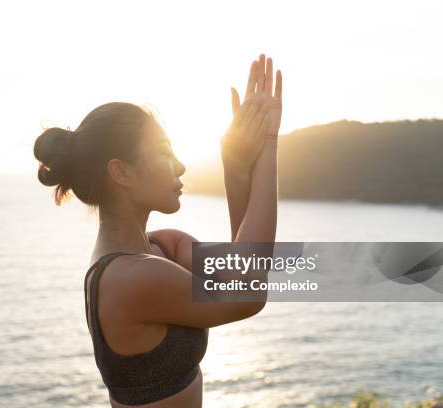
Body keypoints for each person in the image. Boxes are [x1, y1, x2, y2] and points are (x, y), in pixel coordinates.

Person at [34, 53, 282, 407]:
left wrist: (237, 168)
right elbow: (248, 293)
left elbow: (241, 272)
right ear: (122, 172)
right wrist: (269, 144)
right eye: (165, 152)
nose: (180, 166)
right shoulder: (129, 279)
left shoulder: (164, 247)